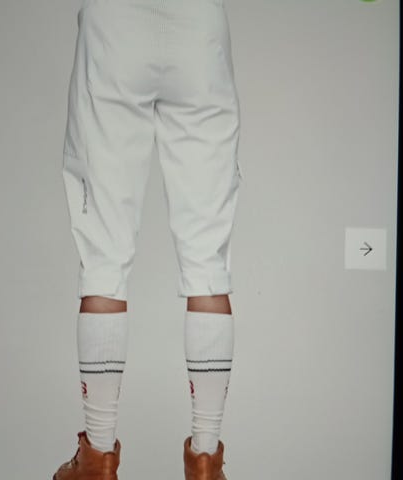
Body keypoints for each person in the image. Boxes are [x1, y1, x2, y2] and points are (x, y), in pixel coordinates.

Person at [54, 0, 243, 478]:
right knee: (207, 264)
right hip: (198, 22)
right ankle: (206, 462)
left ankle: (96, 462)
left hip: (115, 24)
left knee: (105, 259)